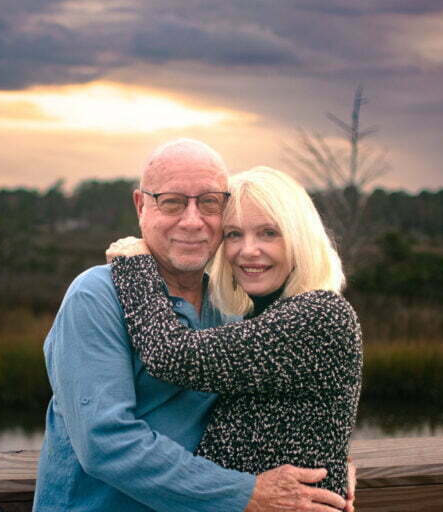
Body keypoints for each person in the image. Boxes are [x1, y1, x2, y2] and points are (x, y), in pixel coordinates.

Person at [34, 140, 354, 512]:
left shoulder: (232, 306)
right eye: (172, 202)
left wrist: (328, 462)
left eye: (208, 203)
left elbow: (287, 410)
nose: (191, 220)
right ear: (141, 206)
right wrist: (245, 494)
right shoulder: (96, 296)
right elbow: (105, 442)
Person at [107, 166, 362, 501]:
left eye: (269, 233)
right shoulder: (255, 316)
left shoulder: (320, 315)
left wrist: (135, 266)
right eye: (234, 234)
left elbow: (172, 356)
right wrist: (335, 458)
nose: (248, 250)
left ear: (300, 238)